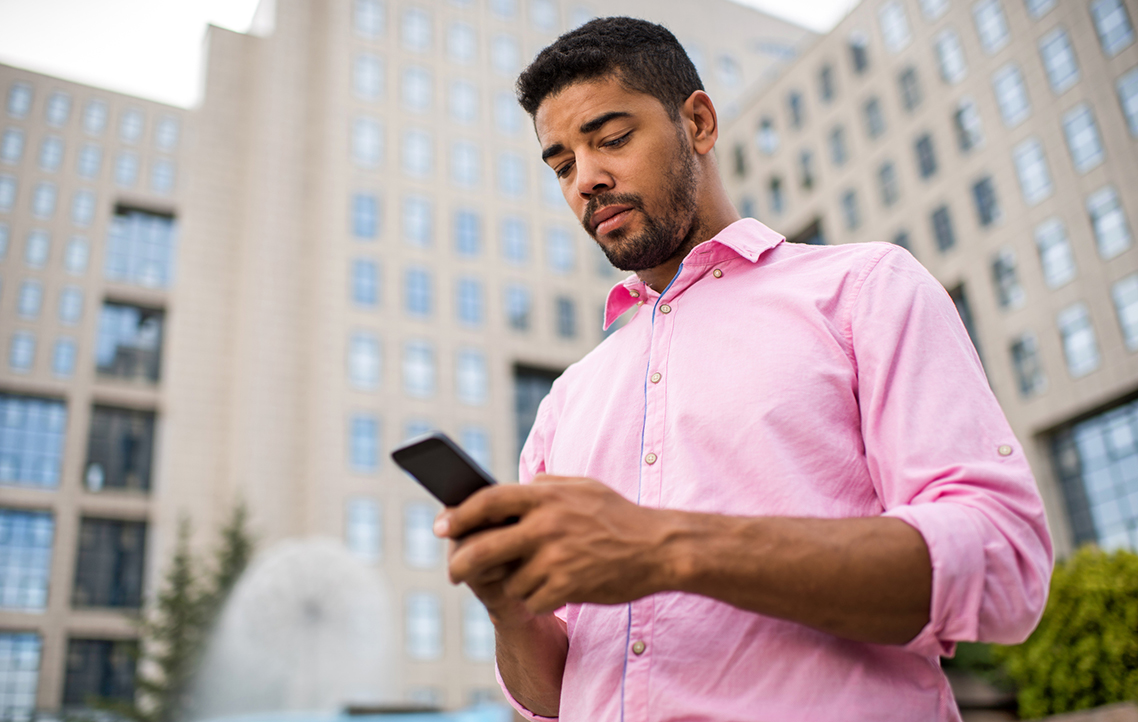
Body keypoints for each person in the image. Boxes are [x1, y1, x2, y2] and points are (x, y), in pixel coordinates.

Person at [433, 17, 1053, 721]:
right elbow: (551, 697)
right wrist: (510, 609)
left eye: (611, 139)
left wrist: (667, 546)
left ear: (698, 122)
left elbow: (1005, 566)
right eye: (563, 164)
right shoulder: (566, 400)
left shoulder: (864, 289)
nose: (588, 180)